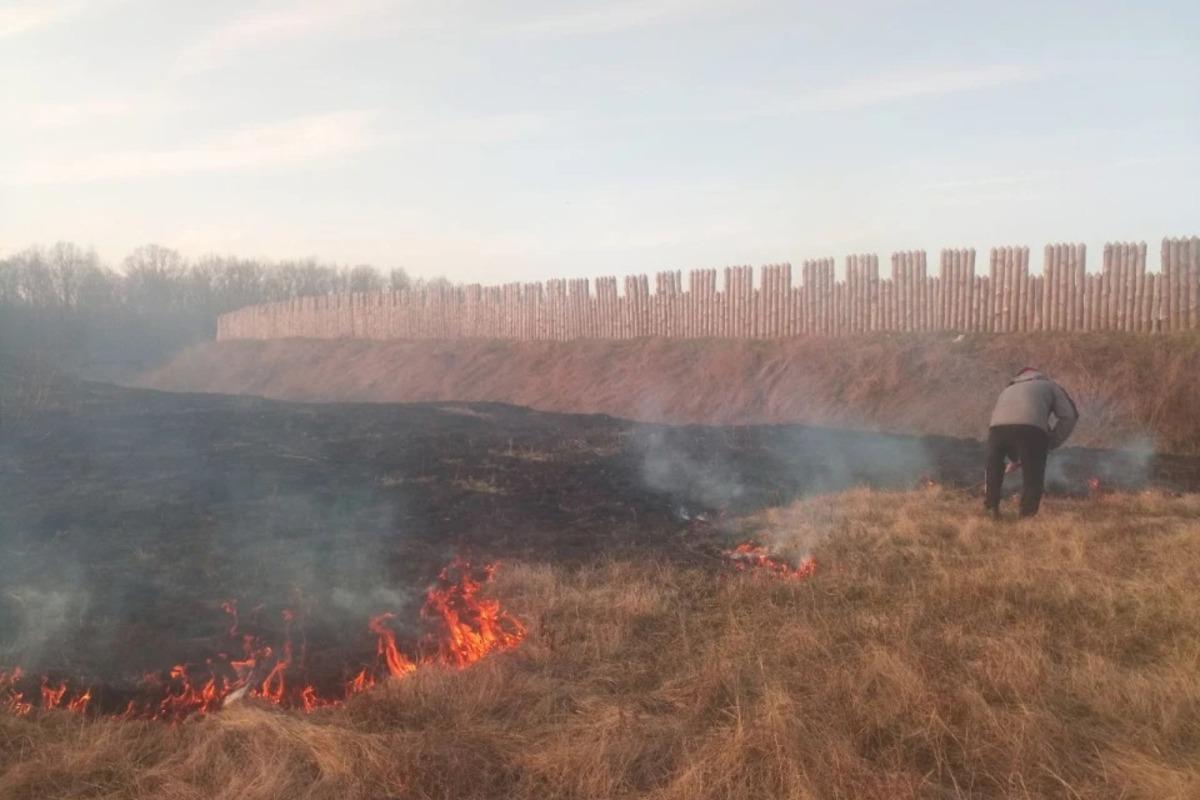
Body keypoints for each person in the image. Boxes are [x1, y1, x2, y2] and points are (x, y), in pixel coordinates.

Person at [985, 367, 1078, 519]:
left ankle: (990, 510)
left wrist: (1016, 457)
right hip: (1031, 431)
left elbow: (1011, 424)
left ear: (1019, 377)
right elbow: (1070, 416)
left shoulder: (1007, 389)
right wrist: (1051, 442)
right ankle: (1026, 517)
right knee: (1033, 475)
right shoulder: (1050, 385)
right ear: (1039, 375)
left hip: (996, 430)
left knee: (994, 468)